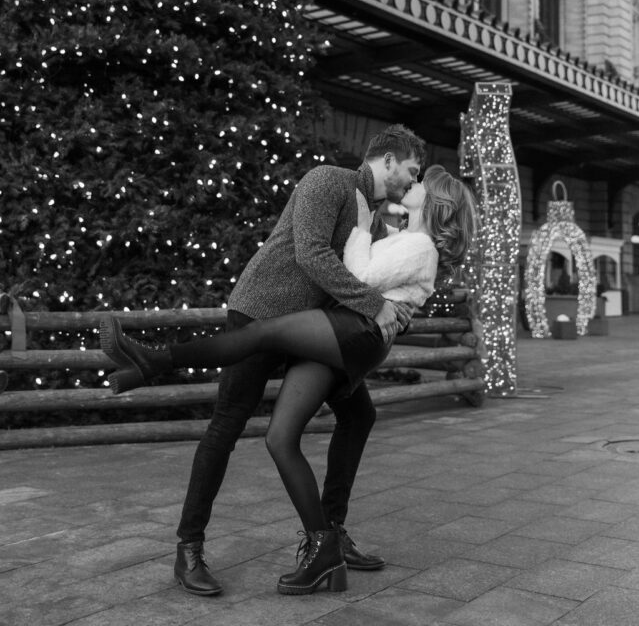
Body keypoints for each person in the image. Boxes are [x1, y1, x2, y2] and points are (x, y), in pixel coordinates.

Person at [101, 157, 476, 595]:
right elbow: (314, 255)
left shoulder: (383, 221)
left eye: (419, 180)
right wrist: (381, 301)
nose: (413, 179)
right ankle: (190, 548)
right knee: (229, 425)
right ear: (388, 160)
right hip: (268, 309)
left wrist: (392, 302)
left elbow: (380, 275)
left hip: (324, 329)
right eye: (412, 169)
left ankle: (329, 539)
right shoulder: (330, 183)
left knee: (353, 417)